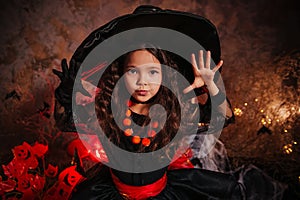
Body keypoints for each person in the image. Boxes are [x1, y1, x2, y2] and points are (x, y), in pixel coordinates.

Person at [53, 5, 287, 200]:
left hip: (166, 193)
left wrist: (212, 85)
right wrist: (66, 92)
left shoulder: (175, 108)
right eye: (133, 72)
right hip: (112, 194)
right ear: (121, 74)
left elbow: (223, 118)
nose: (143, 82)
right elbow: (65, 121)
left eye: (153, 73)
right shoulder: (108, 108)